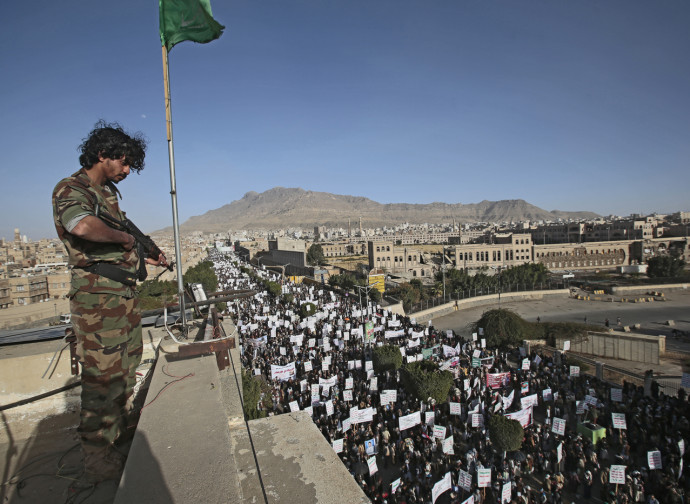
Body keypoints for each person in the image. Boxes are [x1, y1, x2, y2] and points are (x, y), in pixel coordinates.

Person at [52, 121, 167, 485]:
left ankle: (116, 436)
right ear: (102, 154)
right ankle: (97, 460)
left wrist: (147, 250)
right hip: (97, 301)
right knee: (101, 380)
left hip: (122, 297)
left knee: (125, 370)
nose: (128, 169)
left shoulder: (110, 194)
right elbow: (82, 227)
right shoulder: (72, 188)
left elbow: (124, 233)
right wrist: (126, 241)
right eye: (124, 160)